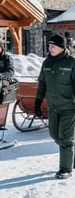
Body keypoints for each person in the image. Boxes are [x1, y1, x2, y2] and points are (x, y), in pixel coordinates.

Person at [35, 33, 75, 180]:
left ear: (61, 47)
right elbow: (42, 84)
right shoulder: (47, 63)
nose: (50, 48)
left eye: (53, 46)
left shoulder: (71, 62)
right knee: (54, 135)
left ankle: (65, 169)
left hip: (69, 107)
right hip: (53, 107)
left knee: (65, 138)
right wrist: (38, 101)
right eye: (49, 45)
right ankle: (70, 155)